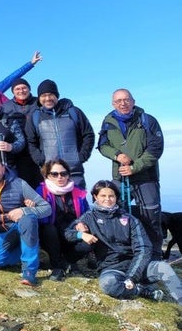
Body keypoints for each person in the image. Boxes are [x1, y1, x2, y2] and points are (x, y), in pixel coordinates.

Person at [65, 181, 181, 304]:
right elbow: (67, 233)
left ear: (116, 197)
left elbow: (143, 248)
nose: (107, 199)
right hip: (111, 268)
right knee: (108, 284)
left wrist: (132, 276)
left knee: (164, 267)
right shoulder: (88, 218)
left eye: (111, 196)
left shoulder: (130, 219)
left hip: (138, 267)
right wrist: (81, 234)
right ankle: (141, 291)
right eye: (103, 196)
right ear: (95, 197)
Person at [97, 89, 164, 260]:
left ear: (133, 101)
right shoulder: (108, 121)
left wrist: (135, 167)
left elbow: (155, 149)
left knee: (151, 217)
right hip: (120, 177)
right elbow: (103, 145)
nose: (123, 103)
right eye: (118, 100)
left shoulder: (147, 120)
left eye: (126, 100)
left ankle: (154, 255)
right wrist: (117, 155)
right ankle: (123, 253)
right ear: (113, 103)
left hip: (146, 178)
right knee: (116, 215)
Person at [0, 153, 52, 286]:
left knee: (28, 219)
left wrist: (23, 210)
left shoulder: (19, 184)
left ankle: (29, 272)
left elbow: (46, 208)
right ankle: (34, 252)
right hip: (1, 231)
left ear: (3, 167)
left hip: (21, 226)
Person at [25, 79, 95, 190]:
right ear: (39, 98)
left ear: (56, 95)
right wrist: (40, 160)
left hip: (74, 171)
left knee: (78, 204)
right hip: (50, 173)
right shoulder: (35, 117)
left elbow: (88, 134)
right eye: (43, 95)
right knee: (52, 205)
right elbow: (30, 141)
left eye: (51, 94)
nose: (47, 98)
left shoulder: (73, 112)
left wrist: (81, 156)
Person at [35, 159, 90, 281]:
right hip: (51, 235)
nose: (59, 177)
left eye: (63, 173)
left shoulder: (78, 192)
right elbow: (39, 218)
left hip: (73, 231)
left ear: (68, 175)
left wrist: (82, 223)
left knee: (88, 241)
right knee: (49, 230)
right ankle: (57, 265)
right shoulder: (41, 191)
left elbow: (87, 213)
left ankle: (70, 261)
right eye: (54, 174)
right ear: (47, 175)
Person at [1, 78, 41, 188]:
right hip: (19, 153)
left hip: (39, 148)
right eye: (17, 89)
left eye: (24, 88)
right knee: (25, 184)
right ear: (13, 91)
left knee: (43, 183)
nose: (21, 91)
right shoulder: (6, 107)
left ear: (29, 89)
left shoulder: (38, 103)